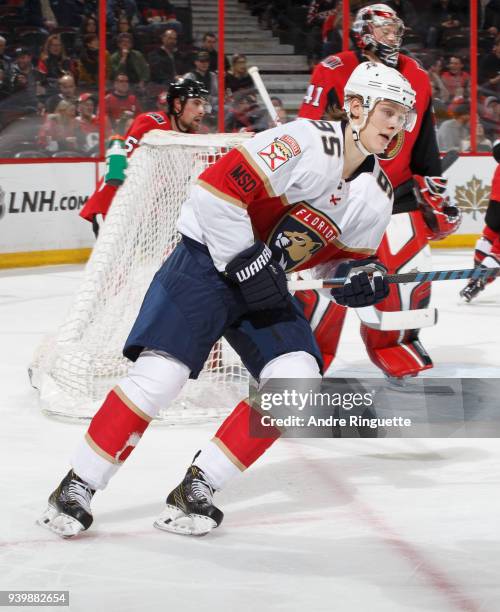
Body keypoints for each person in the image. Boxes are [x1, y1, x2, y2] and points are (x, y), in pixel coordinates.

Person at [39, 61, 417, 538]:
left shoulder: (378, 195)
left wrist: (359, 278)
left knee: (297, 382)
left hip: (267, 286)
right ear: (357, 107)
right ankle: (78, 485)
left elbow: (332, 264)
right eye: (388, 111)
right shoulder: (301, 141)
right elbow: (217, 191)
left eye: (403, 117)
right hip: (205, 264)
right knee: (160, 377)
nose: (395, 125)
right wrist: (243, 259)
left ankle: (198, 485)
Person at [297, 3, 461, 382]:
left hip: (397, 192)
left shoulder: (416, 74)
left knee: (406, 271)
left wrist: (433, 188)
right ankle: (304, 352)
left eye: (395, 30)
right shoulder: (334, 69)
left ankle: (396, 342)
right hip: (341, 191)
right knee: (325, 280)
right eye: (384, 30)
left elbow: (424, 136)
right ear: (363, 31)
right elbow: (309, 131)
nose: (392, 37)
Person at [80, 78, 208, 236]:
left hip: (142, 216)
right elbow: (121, 163)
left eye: (203, 104)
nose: (202, 110)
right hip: (113, 208)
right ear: (177, 104)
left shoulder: (191, 137)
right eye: (196, 103)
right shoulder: (152, 123)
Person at [460, 139, 500, 301]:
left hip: (495, 208)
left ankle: (475, 277)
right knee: (498, 252)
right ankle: (478, 281)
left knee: (486, 241)